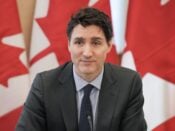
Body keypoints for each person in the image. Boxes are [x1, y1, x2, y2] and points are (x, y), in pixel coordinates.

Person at [16, 7, 147, 131]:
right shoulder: (44, 85)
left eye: (96, 43)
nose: (87, 53)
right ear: (69, 45)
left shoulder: (129, 83)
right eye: (79, 42)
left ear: (109, 45)